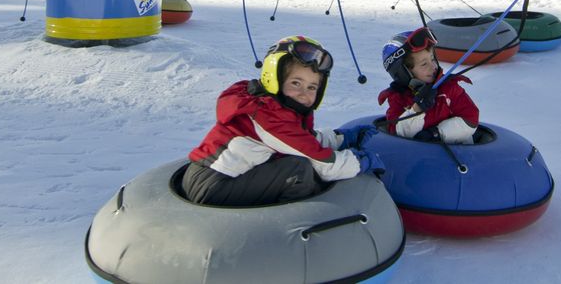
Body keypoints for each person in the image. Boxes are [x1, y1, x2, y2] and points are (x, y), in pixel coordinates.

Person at [183, 36, 381, 206]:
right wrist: (361, 161)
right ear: (273, 78)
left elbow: (303, 140)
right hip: (213, 187)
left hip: (214, 178)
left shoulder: (273, 108)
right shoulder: (269, 119)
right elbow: (326, 165)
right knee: (298, 170)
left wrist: (341, 138)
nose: (304, 93)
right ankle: (286, 227)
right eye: (296, 83)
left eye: (312, 87)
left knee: (296, 162)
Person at [377, 27, 479, 144]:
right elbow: (396, 133)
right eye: (424, 64)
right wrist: (417, 109)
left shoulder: (449, 88)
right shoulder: (398, 98)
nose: (433, 67)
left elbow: (471, 119)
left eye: (432, 59)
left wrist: (437, 133)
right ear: (403, 73)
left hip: (457, 155)